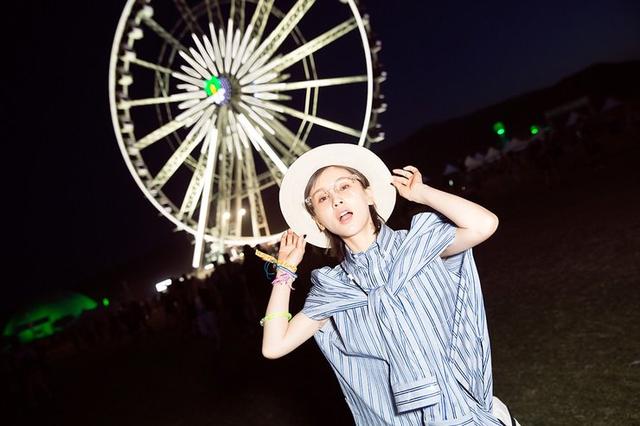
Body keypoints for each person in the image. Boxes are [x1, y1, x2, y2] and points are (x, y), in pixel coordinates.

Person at [260, 144, 521, 425]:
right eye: (322, 198)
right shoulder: (334, 290)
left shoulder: (418, 245)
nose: (336, 200)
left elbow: (484, 224)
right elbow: (274, 346)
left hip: (468, 414)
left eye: (344, 186)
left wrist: (421, 194)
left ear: (369, 194)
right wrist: (285, 271)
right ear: (318, 222)